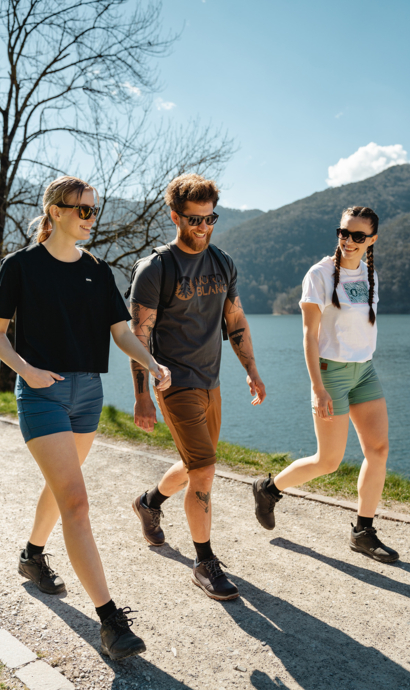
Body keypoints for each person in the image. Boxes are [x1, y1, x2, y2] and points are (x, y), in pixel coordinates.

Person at [0, 176, 171, 660]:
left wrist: (151, 363)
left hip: (88, 393)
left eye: (94, 209)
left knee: (60, 490)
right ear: (54, 212)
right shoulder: (21, 266)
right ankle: (110, 621)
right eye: (83, 210)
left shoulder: (97, 269)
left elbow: (121, 332)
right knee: (78, 503)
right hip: (41, 393)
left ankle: (31, 555)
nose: (91, 217)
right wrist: (26, 369)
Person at [128, 173, 267, 600]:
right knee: (205, 469)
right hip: (176, 383)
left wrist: (253, 370)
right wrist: (142, 395)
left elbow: (236, 321)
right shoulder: (155, 268)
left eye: (211, 219)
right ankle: (204, 561)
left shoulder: (223, 262)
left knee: (195, 464)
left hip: (212, 379)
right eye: (194, 220)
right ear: (175, 216)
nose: (203, 228)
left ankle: (149, 503)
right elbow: (139, 335)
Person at [253, 206, 399, 563]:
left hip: (364, 371)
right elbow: (309, 335)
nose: (348, 241)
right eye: (343, 232)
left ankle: (363, 531)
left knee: (378, 450)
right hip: (331, 374)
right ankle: (269, 489)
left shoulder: (370, 275)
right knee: (329, 461)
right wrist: (318, 387)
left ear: (372, 240)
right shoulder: (319, 274)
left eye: (358, 236)